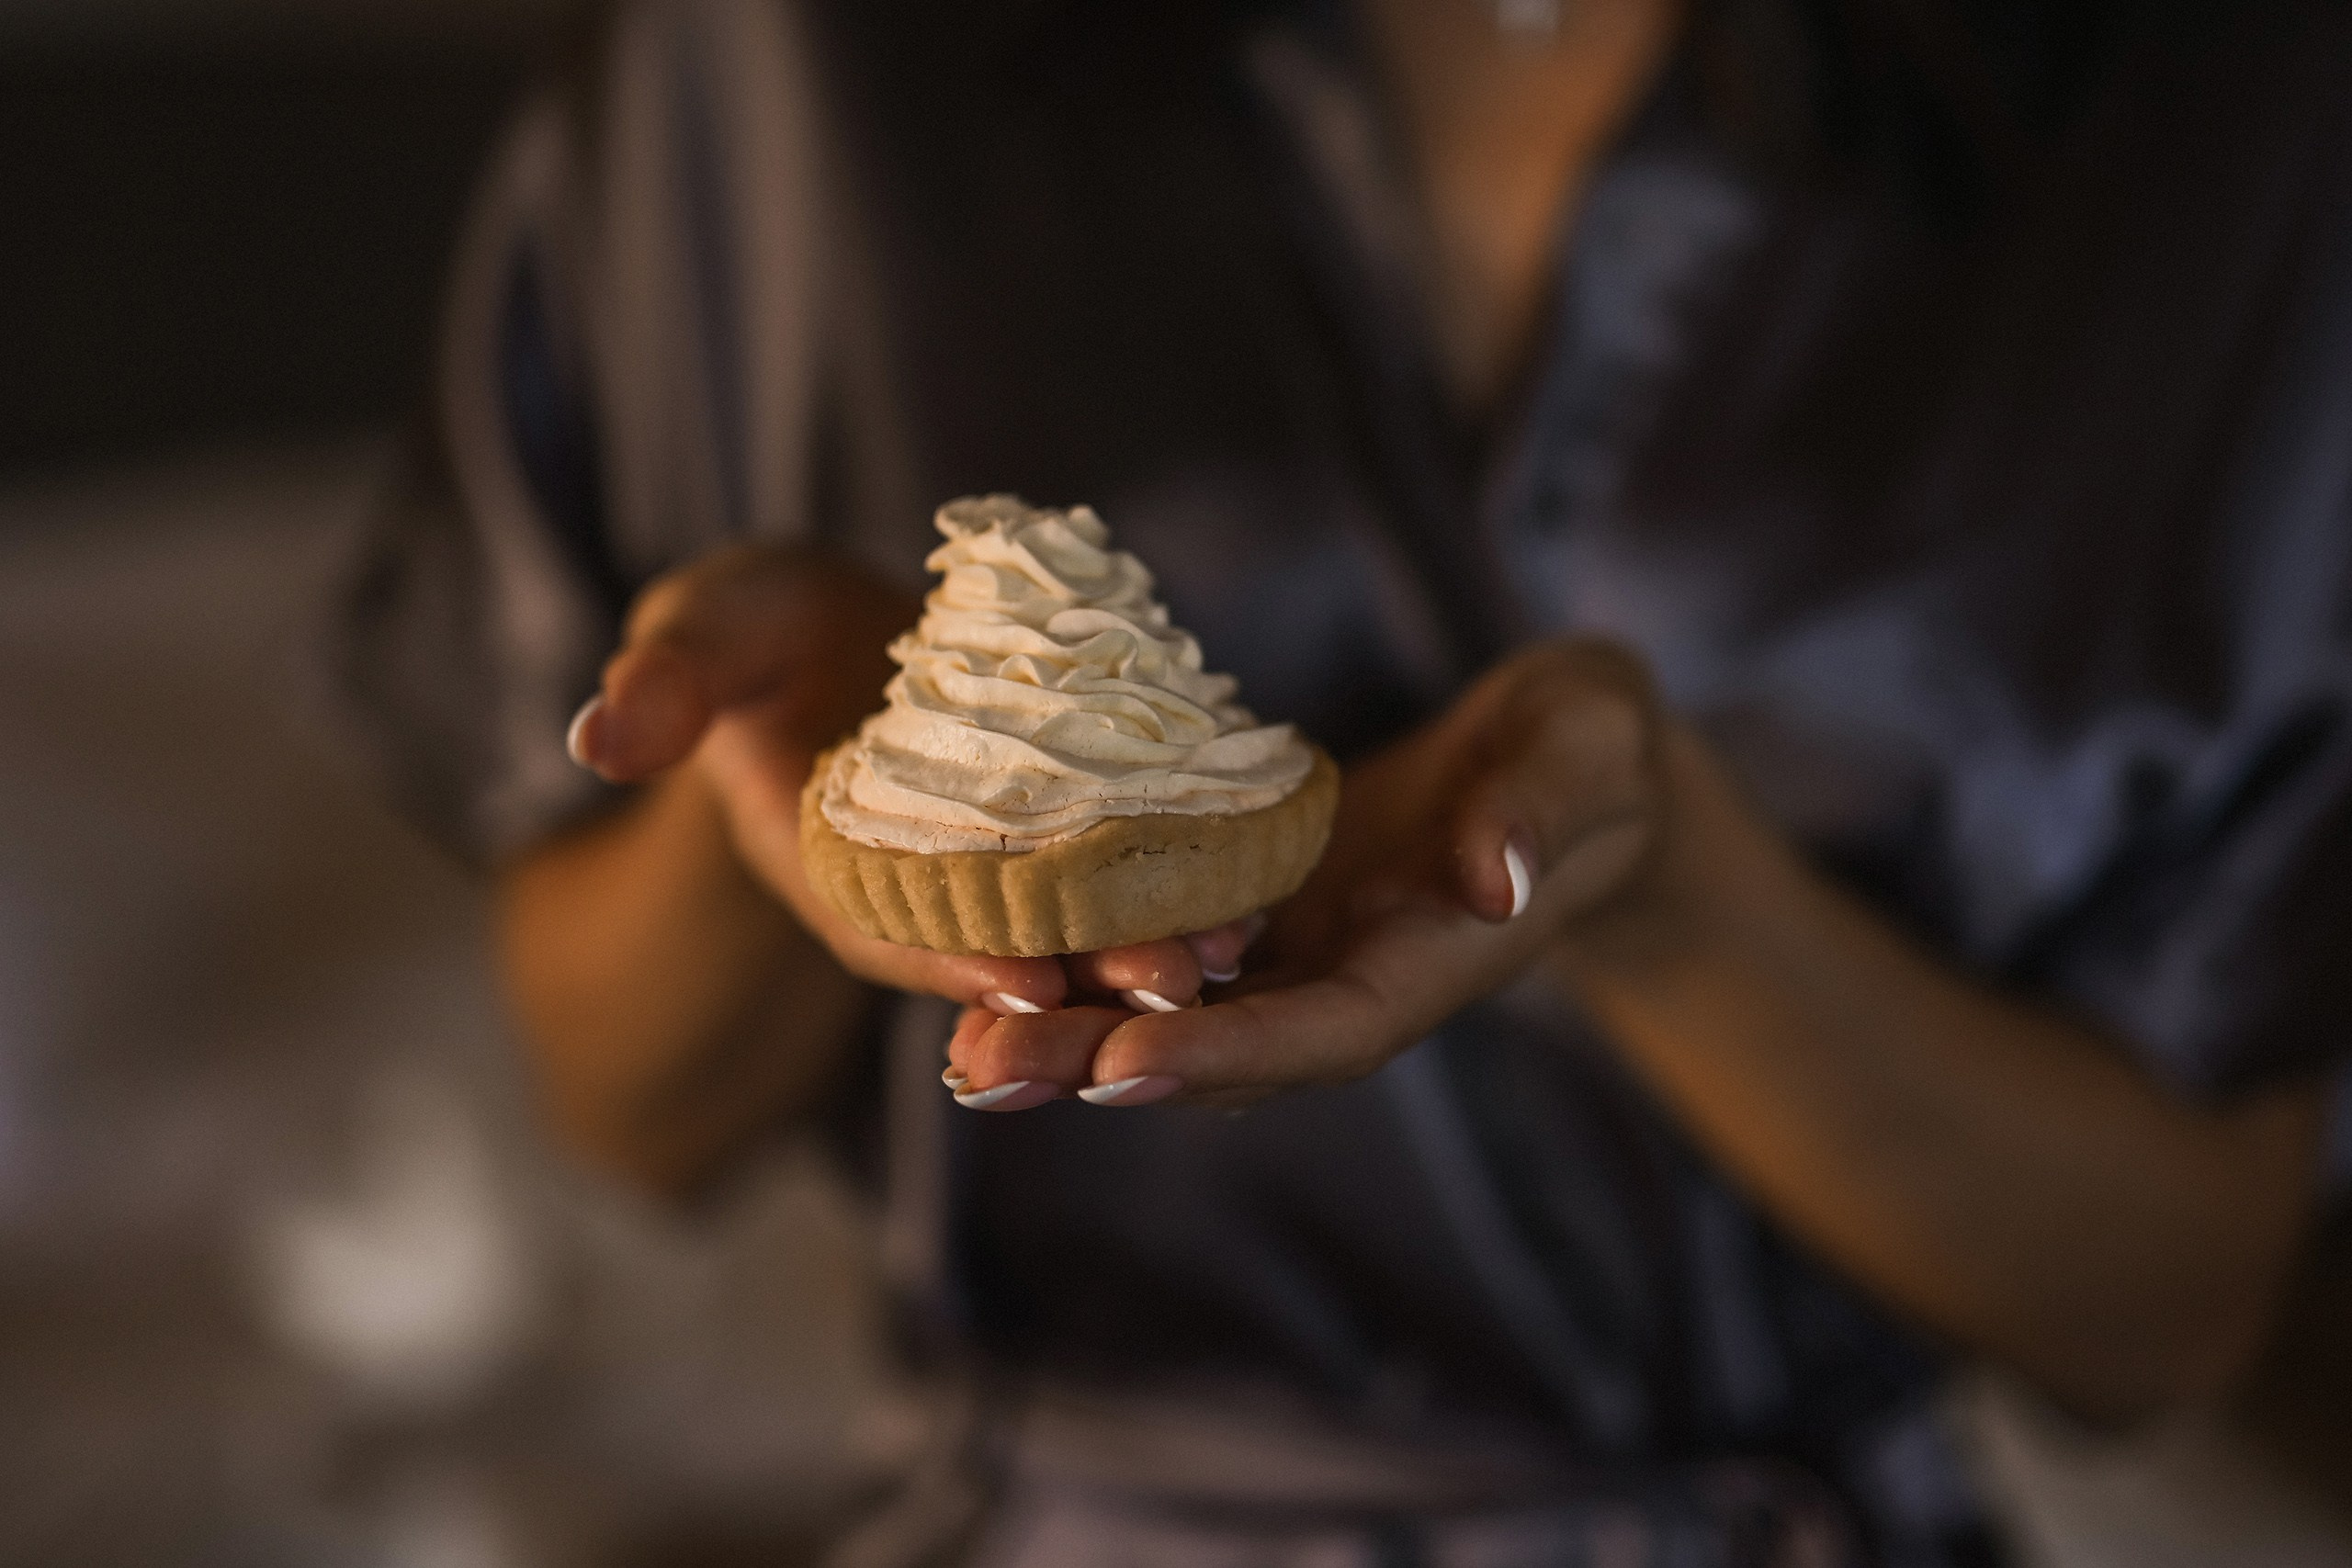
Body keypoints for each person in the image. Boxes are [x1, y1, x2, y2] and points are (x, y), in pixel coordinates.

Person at [340, 0, 2352, 1561]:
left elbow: (2164, 1307)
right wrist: (792, 797)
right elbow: (631, 1115)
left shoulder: (2229, 119)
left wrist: (1658, 880)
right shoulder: (787, 61)